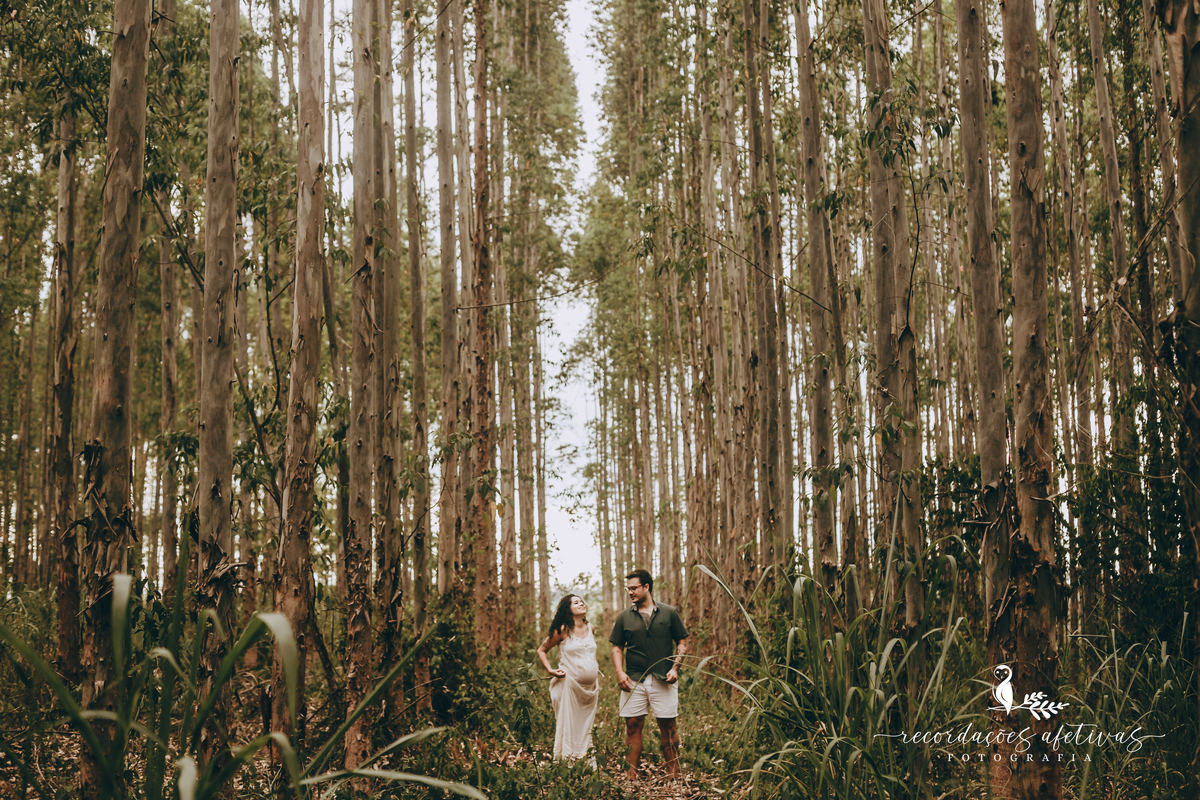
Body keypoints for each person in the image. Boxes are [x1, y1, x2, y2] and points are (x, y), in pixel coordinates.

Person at [610, 569, 689, 779]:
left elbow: (682, 641)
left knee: (668, 726)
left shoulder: (669, 613)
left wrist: (675, 668)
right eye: (628, 589)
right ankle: (631, 775)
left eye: (634, 588)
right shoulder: (624, 617)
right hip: (633, 679)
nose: (630, 592)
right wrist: (619, 673)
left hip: (664, 678)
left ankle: (673, 773)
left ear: (646, 587)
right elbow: (616, 647)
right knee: (633, 725)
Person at [536, 594, 600, 760]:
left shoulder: (591, 628)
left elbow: (591, 654)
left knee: (585, 727)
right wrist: (550, 669)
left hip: (590, 689)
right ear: (568, 609)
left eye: (581, 601)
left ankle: (585, 761)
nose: (581, 604)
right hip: (569, 686)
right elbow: (542, 650)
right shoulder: (563, 630)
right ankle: (566, 761)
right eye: (575, 602)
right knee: (569, 726)